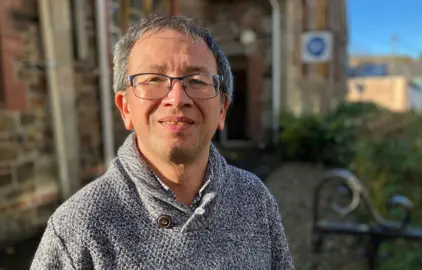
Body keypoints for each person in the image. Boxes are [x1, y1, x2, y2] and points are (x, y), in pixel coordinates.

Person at [31, 14, 294, 269]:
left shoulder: (254, 199)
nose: (177, 98)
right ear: (126, 108)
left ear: (222, 109)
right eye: (154, 80)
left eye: (197, 80)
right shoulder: (77, 229)